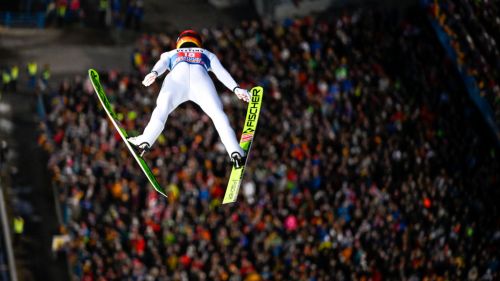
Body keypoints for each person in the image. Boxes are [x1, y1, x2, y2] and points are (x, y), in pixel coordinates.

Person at [128, 30, 251, 168]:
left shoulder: (171, 53)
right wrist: (236, 88)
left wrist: (154, 73)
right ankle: (235, 151)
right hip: (201, 80)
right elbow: (221, 72)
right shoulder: (206, 53)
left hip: (176, 79)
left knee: (162, 109)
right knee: (217, 115)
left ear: (179, 41)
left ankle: (146, 139)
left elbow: (162, 64)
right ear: (198, 42)